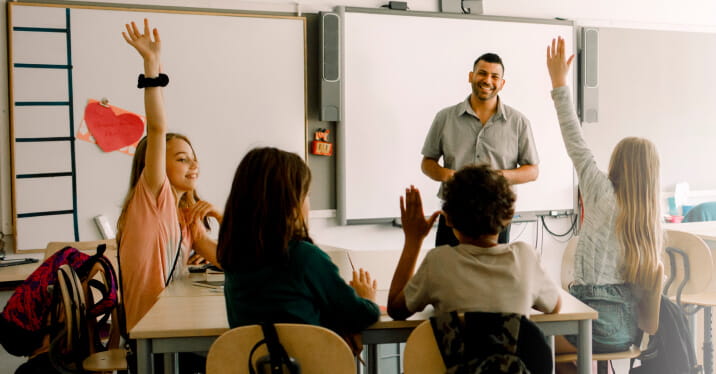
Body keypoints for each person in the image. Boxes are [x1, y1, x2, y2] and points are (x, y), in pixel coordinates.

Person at [546, 36, 663, 372]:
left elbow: (575, 141)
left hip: (592, 324)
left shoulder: (601, 192)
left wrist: (558, 86)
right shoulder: (649, 219)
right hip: (625, 332)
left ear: (618, 163)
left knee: (536, 340)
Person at [116, 19, 221, 332]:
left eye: (194, 158)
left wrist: (219, 214)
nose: (193, 165)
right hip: (150, 333)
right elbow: (157, 127)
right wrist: (152, 66)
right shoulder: (153, 198)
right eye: (181, 159)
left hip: (173, 325)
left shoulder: (186, 215)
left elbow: (231, 260)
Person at [217, 147, 380, 340]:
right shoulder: (305, 257)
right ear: (290, 203)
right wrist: (367, 298)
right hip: (309, 367)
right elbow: (360, 315)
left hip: (251, 366)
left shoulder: (234, 259)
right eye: (307, 194)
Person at [388, 164, 561, 321]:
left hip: (455, 357)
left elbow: (396, 310)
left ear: (447, 217)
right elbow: (554, 306)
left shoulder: (438, 263)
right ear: (509, 216)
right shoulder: (525, 257)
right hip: (512, 357)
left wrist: (413, 240)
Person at [421, 53, 539, 246]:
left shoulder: (518, 122)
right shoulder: (445, 117)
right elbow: (427, 163)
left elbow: (532, 171)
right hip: (453, 214)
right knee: (447, 274)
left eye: (494, 76)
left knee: (493, 275)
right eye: (482, 73)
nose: (487, 80)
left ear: (502, 83)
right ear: (471, 76)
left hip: (496, 218)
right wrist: (450, 176)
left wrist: (495, 177)